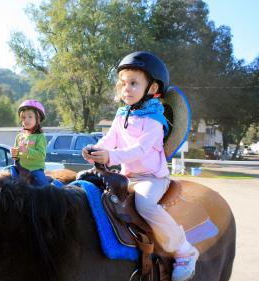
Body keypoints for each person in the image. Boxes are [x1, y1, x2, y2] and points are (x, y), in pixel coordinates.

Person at [82, 51, 199, 281]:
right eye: (123, 83)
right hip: (128, 175)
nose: (126, 88)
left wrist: (110, 157)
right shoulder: (121, 115)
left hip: (151, 178)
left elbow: (139, 150)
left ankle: (184, 249)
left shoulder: (155, 121)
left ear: (153, 88)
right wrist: (96, 149)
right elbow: (110, 140)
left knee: (145, 204)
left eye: (134, 83)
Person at [10, 100, 49, 187]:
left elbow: (41, 155)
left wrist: (27, 150)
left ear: (38, 119)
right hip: (21, 169)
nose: (26, 120)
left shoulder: (40, 137)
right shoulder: (19, 137)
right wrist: (14, 153)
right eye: (23, 117)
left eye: (30, 117)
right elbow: (15, 158)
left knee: (44, 187)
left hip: (35, 170)